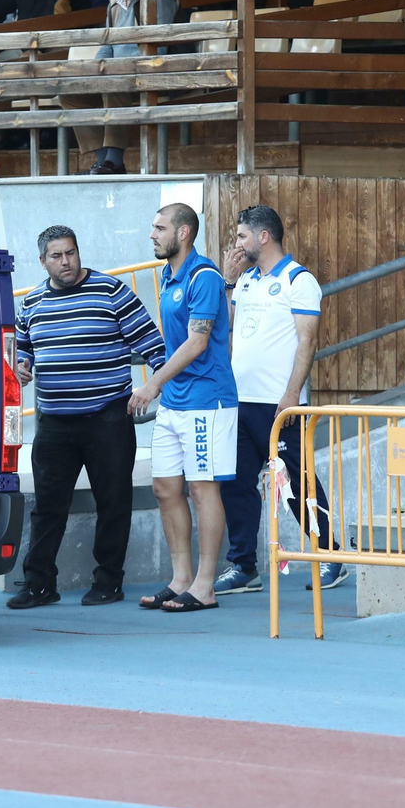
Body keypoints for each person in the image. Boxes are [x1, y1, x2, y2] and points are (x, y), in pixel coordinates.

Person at [8, 226, 168, 609]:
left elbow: (153, 345)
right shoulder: (31, 304)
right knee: (47, 506)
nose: (66, 262)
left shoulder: (111, 292)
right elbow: (21, 353)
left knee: (113, 502)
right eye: (57, 256)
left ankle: (109, 581)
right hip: (54, 423)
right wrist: (22, 367)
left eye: (71, 253)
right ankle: (39, 583)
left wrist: (158, 389)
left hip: (106, 418)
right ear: (42, 261)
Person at [218, 204, 344, 594]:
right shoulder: (245, 280)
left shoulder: (298, 279)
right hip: (241, 400)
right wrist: (227, 281)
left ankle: (331, 556)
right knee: (237, 485)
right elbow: (227, 328)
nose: (236, 243)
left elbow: (308, 340)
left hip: (279, 404)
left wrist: (291, 395)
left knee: (297, 484)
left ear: (263, 237)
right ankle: (244, 567)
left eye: (241, 236)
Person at [131, 203, 238, 613]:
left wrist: (154, 382)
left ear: (185, 233)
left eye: (160, 228)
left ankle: (205, 585)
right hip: (176, 400)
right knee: (165, 489)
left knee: (201, 488)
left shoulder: (205, 276)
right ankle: (180, 580)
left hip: (206, 401)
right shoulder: (167, 275)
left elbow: (197, 342)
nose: (153, 235)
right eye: (153, 227)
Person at [58, 0, 177, 176]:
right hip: (121, 75)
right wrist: (96, 71)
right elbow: (106, 46)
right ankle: (103, 161)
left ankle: (114, 158)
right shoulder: (113, 3)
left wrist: (115, 69)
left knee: (113, 81)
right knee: (71, 93)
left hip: (154, 74)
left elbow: (158, 49)